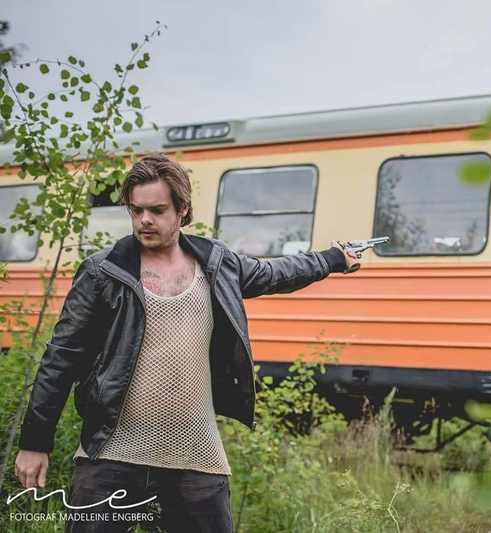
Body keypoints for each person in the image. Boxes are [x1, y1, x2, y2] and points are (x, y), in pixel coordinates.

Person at [13, 154, 360, 533]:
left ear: (182, 210)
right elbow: (61, 357)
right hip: (112, 455)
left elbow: (277, 272)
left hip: (197, 458)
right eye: (136, 210)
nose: (144, 220)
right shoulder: (103, 272)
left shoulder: (217, 265)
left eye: (157, 210)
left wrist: (333, 258)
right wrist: (35, 441)